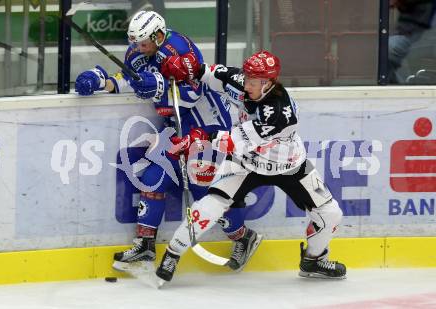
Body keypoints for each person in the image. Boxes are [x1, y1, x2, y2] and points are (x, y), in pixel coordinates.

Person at [74, 11, 262, 273]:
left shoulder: (182, 49)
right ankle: (146, 244)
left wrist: (160, 87)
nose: (138, 48)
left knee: (205, 194)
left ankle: (243, 236)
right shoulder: (137, 53)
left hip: (205, 126)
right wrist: (101, 82)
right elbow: (128, 79)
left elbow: (193, 93)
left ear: (158, 35)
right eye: (136, 43)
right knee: (154, 176)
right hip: (175, 128)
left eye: (143, 43)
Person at [155, 50, 347, 285]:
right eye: (246, 78)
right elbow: (208, 72)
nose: (246, 85)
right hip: (245, 162)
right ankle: (173, 254)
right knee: (209, 206)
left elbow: (233, 141)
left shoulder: (278, 112)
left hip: (288, 164)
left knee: (330, 214)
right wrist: (185, 66)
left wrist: (199, 137)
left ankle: (313, 261)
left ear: (268, 83)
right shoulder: (245, 83)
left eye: (253, 82)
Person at [388, 0, 436, 83]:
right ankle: (400, 84)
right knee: (386, 48)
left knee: (390, 47)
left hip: (423, 35)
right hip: (409, 32)